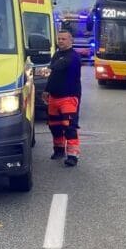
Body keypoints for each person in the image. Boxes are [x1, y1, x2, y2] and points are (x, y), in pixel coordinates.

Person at [44, 30, 83, 167]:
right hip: (54, 97)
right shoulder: (57, 54)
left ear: (70, 41)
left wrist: (49, 68)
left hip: (69, 97)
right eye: (59, 39)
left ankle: (73, 156)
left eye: (64, 39)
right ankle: (59, 150)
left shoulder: (73, 57)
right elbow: (53, 76)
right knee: (54, 125)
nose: (60, 41)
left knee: (69, 126)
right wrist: (46, 90)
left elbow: (59, 67)